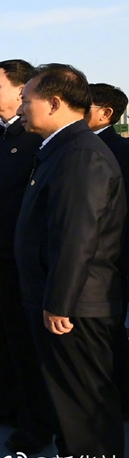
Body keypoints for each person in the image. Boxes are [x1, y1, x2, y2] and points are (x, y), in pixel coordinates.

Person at [15, 64, 125, 458]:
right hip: (63, 299)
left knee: (86, 405)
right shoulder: (61, 149)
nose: (21, 109)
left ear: (55, 103)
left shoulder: (80, 155)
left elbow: (78, 235)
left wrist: (59, 301)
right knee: (67, 403)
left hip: (77, 307)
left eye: (27, 101)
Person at [0, 60, 55, 457]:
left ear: (21, 90)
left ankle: (35, 422)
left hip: (16, 260)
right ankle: (6, 401)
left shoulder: (35, 139)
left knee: (23, 341)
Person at [85, 83, 129, 418]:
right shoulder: (78, 148)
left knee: (111, 334)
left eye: (85, 105)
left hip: (112, 260)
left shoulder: (118, 151)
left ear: (106, 113)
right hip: (89, 260)